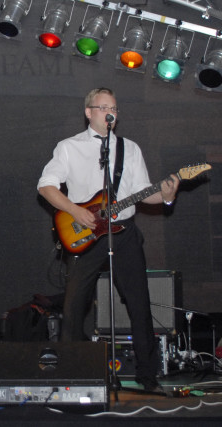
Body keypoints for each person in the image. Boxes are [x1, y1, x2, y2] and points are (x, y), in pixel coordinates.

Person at [37, 87, 179, 392]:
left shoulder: (130, 148)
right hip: (86, 233)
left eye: (113, 108)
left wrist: (166, 196)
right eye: (103, 107)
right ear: (89, 112)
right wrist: (75, 210)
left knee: (139, 303)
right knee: (74, 306)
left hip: (124, 233)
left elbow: (143, 192)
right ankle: (71, 376)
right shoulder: (69, 147)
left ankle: (148, 376)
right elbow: (46, 186)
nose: (110, 112)